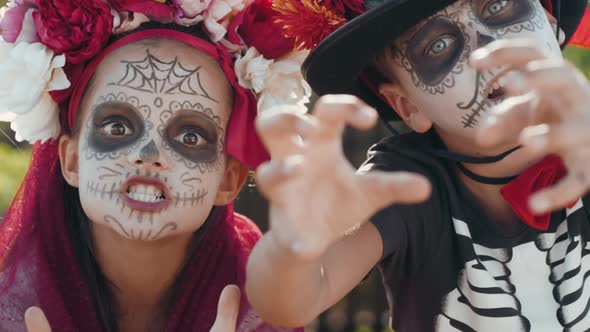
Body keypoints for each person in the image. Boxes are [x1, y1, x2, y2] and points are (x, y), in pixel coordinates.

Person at [246, 0, 590, 330]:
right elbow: (293, 303)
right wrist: (292, 247)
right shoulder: (401, 184)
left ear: (551, 24)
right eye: (438, 45)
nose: (485, 48)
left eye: (498, 6)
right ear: (407, 106)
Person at [0, 0, 309, 331]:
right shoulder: (10, 307)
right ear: (72, 160)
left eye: (190, 137)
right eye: (117, 127)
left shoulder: (263, 303)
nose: (148, 154)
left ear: (228, 180)